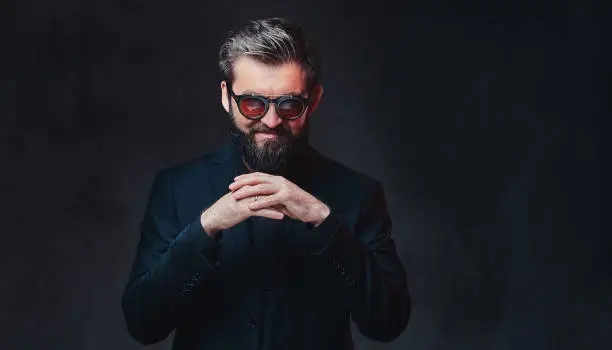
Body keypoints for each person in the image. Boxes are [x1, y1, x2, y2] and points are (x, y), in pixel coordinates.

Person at [121, 17, 410, 350]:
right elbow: (143, 324)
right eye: (253, 104)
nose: (271, 121)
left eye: (289, 104)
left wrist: (324, 221)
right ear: (226, 97)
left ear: (314, 100)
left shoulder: (358, 194)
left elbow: (388, 322)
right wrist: (205, 229)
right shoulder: (175, 188)